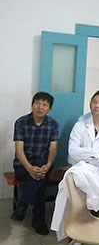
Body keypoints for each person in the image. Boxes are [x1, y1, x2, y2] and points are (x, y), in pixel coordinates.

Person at [11, 92, 59, 235]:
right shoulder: (21, 122)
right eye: (37, 103)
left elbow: (53, 149)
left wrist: (48, 165)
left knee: (40, 167)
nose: (40, 107)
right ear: (32, 105)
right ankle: (38, 221)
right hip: (22, 165)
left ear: (49, 109)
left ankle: (23, 204)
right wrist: (30, 168)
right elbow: (19, 150)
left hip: (43, 166)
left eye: (44, 105)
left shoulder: (53, 125)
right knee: (39, 181)